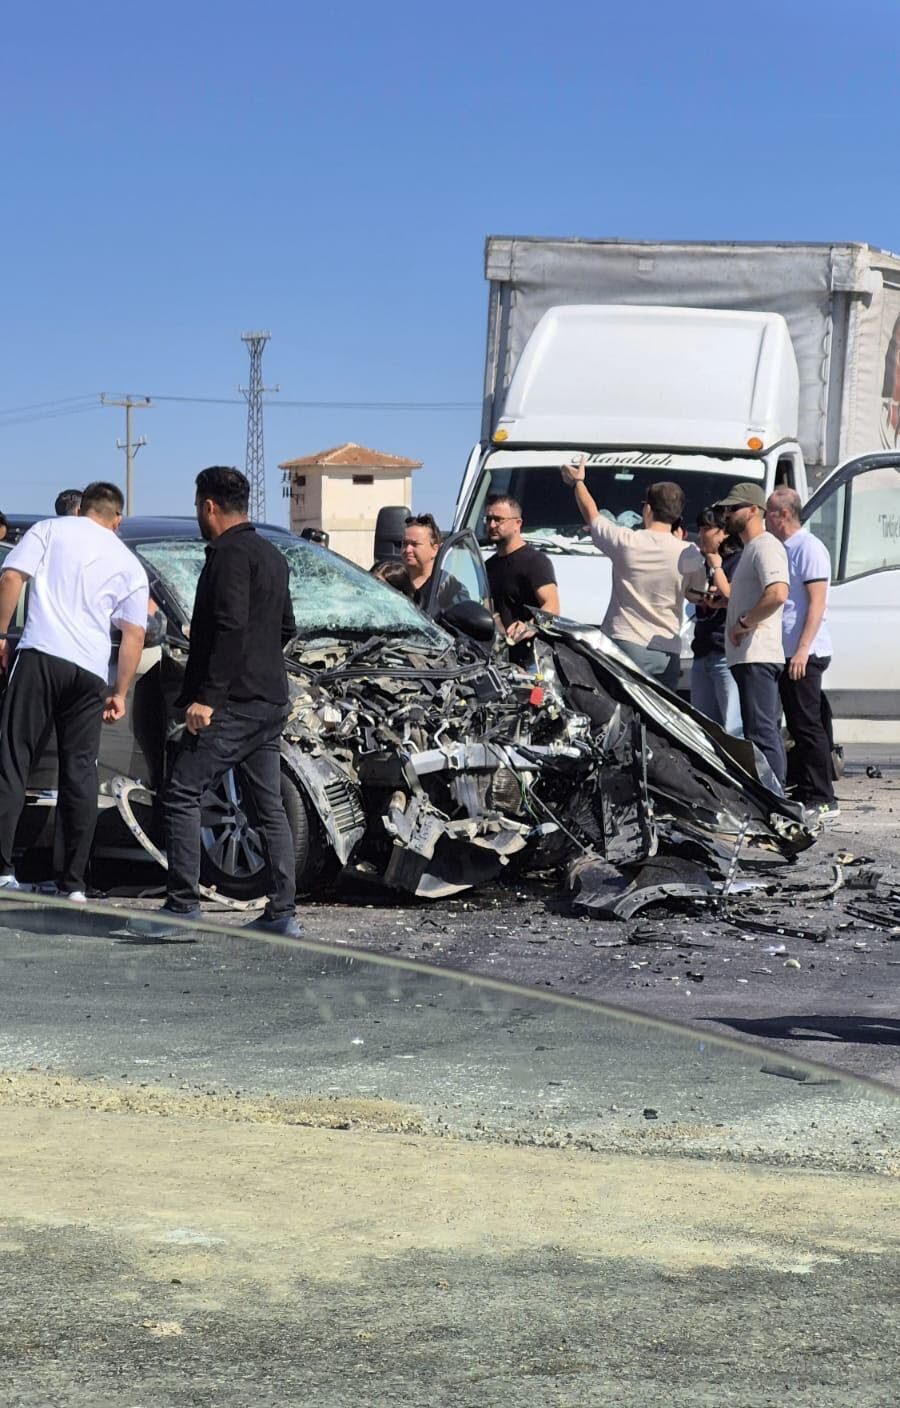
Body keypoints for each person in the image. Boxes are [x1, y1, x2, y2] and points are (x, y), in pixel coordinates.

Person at [145, 467, 301, 938]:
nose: (198, 514)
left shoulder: (229, 555)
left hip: (234, 702)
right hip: (270, 698)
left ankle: (181, 907)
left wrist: (208, 699)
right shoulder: (272, 554)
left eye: (198, 506)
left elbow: (232, 626)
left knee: (183, 790)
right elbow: (286, 627)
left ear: (208, 505)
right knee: (267, 804)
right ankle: (281, 913)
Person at [0, 481, 148, 899]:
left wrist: (0, 632)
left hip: (41, 656)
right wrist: (118, 692)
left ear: (84, 509)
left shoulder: (50, 530)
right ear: (116, 518)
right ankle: (73, 883)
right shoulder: (127, 560)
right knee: (81, 773)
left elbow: (12, 576)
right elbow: (134, 633)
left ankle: (3, 870)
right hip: (89, 672)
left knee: (13, 760)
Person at [560, 459, 704, 690]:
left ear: (647, 508)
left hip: (625, 643)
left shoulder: (627, 541)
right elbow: (696, 595)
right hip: (666, 649)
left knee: (621, 710)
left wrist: (578, 482)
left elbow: (592, 514)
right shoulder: (688, 553)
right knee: (662, 716)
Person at [765, 487, 839, 820]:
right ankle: (804, 786)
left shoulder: (808, 547)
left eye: (768, 512)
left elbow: (816, 603)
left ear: (783, 514)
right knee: (797, 725)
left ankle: (823, 797)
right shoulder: (782, 548)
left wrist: (802, 650)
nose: (764, 518)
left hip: (805, 653)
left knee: (808, 727)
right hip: (787, 652)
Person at [715, 482, 789, 789]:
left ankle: (776, 800)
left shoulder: (765, 546)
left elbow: (777, 593)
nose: (728, 513)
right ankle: (771, 796)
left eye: (734, 508)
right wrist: (727, 603)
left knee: (761, 731)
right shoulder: (751, 550)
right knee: (758, 730)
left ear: (754, 510)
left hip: (757, 653)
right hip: (749, 656)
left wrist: (743, 623)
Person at [484, 493, 559, 668]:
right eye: (488, 519)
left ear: (518, 523)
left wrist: (528, 626)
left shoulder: (535, 561)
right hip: (498, 658)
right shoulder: (488, 566)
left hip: (532, 659)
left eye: (498, 519)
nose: (492, 525)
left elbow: (552, 606)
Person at [687, 507, 743, 735]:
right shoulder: (703, 563)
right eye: (699, 528)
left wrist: (717, 568)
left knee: (733, 727)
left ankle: (738, 771)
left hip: (726, 653)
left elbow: (732, 596)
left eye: (707, 528)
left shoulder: (737, 561)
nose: (701, 534)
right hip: (702, 650)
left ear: (724, 533)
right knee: (703, 728)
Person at [400, 513, 465, 611]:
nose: (408, 549)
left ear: (435, 549)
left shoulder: (450, 588)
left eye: (415, 544)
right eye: (405, 544)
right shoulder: (392, 581)